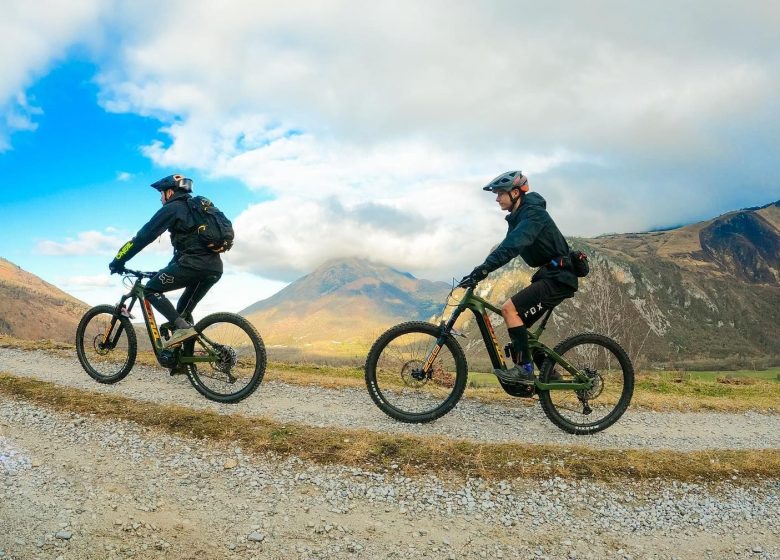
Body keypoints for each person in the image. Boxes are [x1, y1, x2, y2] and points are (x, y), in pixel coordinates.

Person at [458, 170, 578, 385]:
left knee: (509, 309)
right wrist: (481, 270)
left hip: (559, 278)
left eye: (500, 193)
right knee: (520, 329)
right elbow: (505, 248)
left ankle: (524, 370)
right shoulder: (519, 216)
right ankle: (549, 375)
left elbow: (513, 246)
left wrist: (484, 269)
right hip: (549, 276)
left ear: (515, 193)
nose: (496, 198)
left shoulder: (533, 214)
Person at [109, 174, 223, 349]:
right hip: (214, 269)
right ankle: (185, 359)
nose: (160, 198)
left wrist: (118, 260)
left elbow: (142, 237)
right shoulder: (195, 210)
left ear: (170, 192)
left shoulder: (172, 208)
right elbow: (186, 250)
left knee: (151, 289)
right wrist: (166, 270)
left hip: (192, 265)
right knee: (182, 312)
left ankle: (181, 330)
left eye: (161, 194)